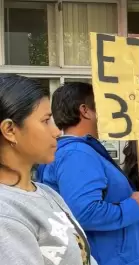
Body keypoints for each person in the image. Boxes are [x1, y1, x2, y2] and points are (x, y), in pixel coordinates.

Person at [36, 82, 139, 265]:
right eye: (102, 106)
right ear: (85, 110)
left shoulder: (76, 151)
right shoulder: (77, 154)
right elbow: (83, 212)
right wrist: (134, 206)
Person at [0, 74, 96, 264]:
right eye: (45, 121)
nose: (55, 131)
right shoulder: (5, 215)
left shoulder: (47, 193)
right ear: (10, 130)